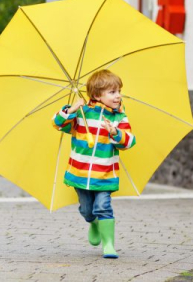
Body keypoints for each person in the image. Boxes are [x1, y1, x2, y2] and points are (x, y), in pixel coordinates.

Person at [52, 69, 136, 259]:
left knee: (103, 207)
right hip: (79, 173)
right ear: (97, 95)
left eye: (118, 91)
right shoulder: (82, 114)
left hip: (105, 173)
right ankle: (93, 223)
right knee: (87, 210)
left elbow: (130, 141)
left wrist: (115, 133)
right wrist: (72, 110)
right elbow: (57, 123)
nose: (118, 96)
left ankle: (109, 245)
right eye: (112, 92)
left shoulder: (119, 117)